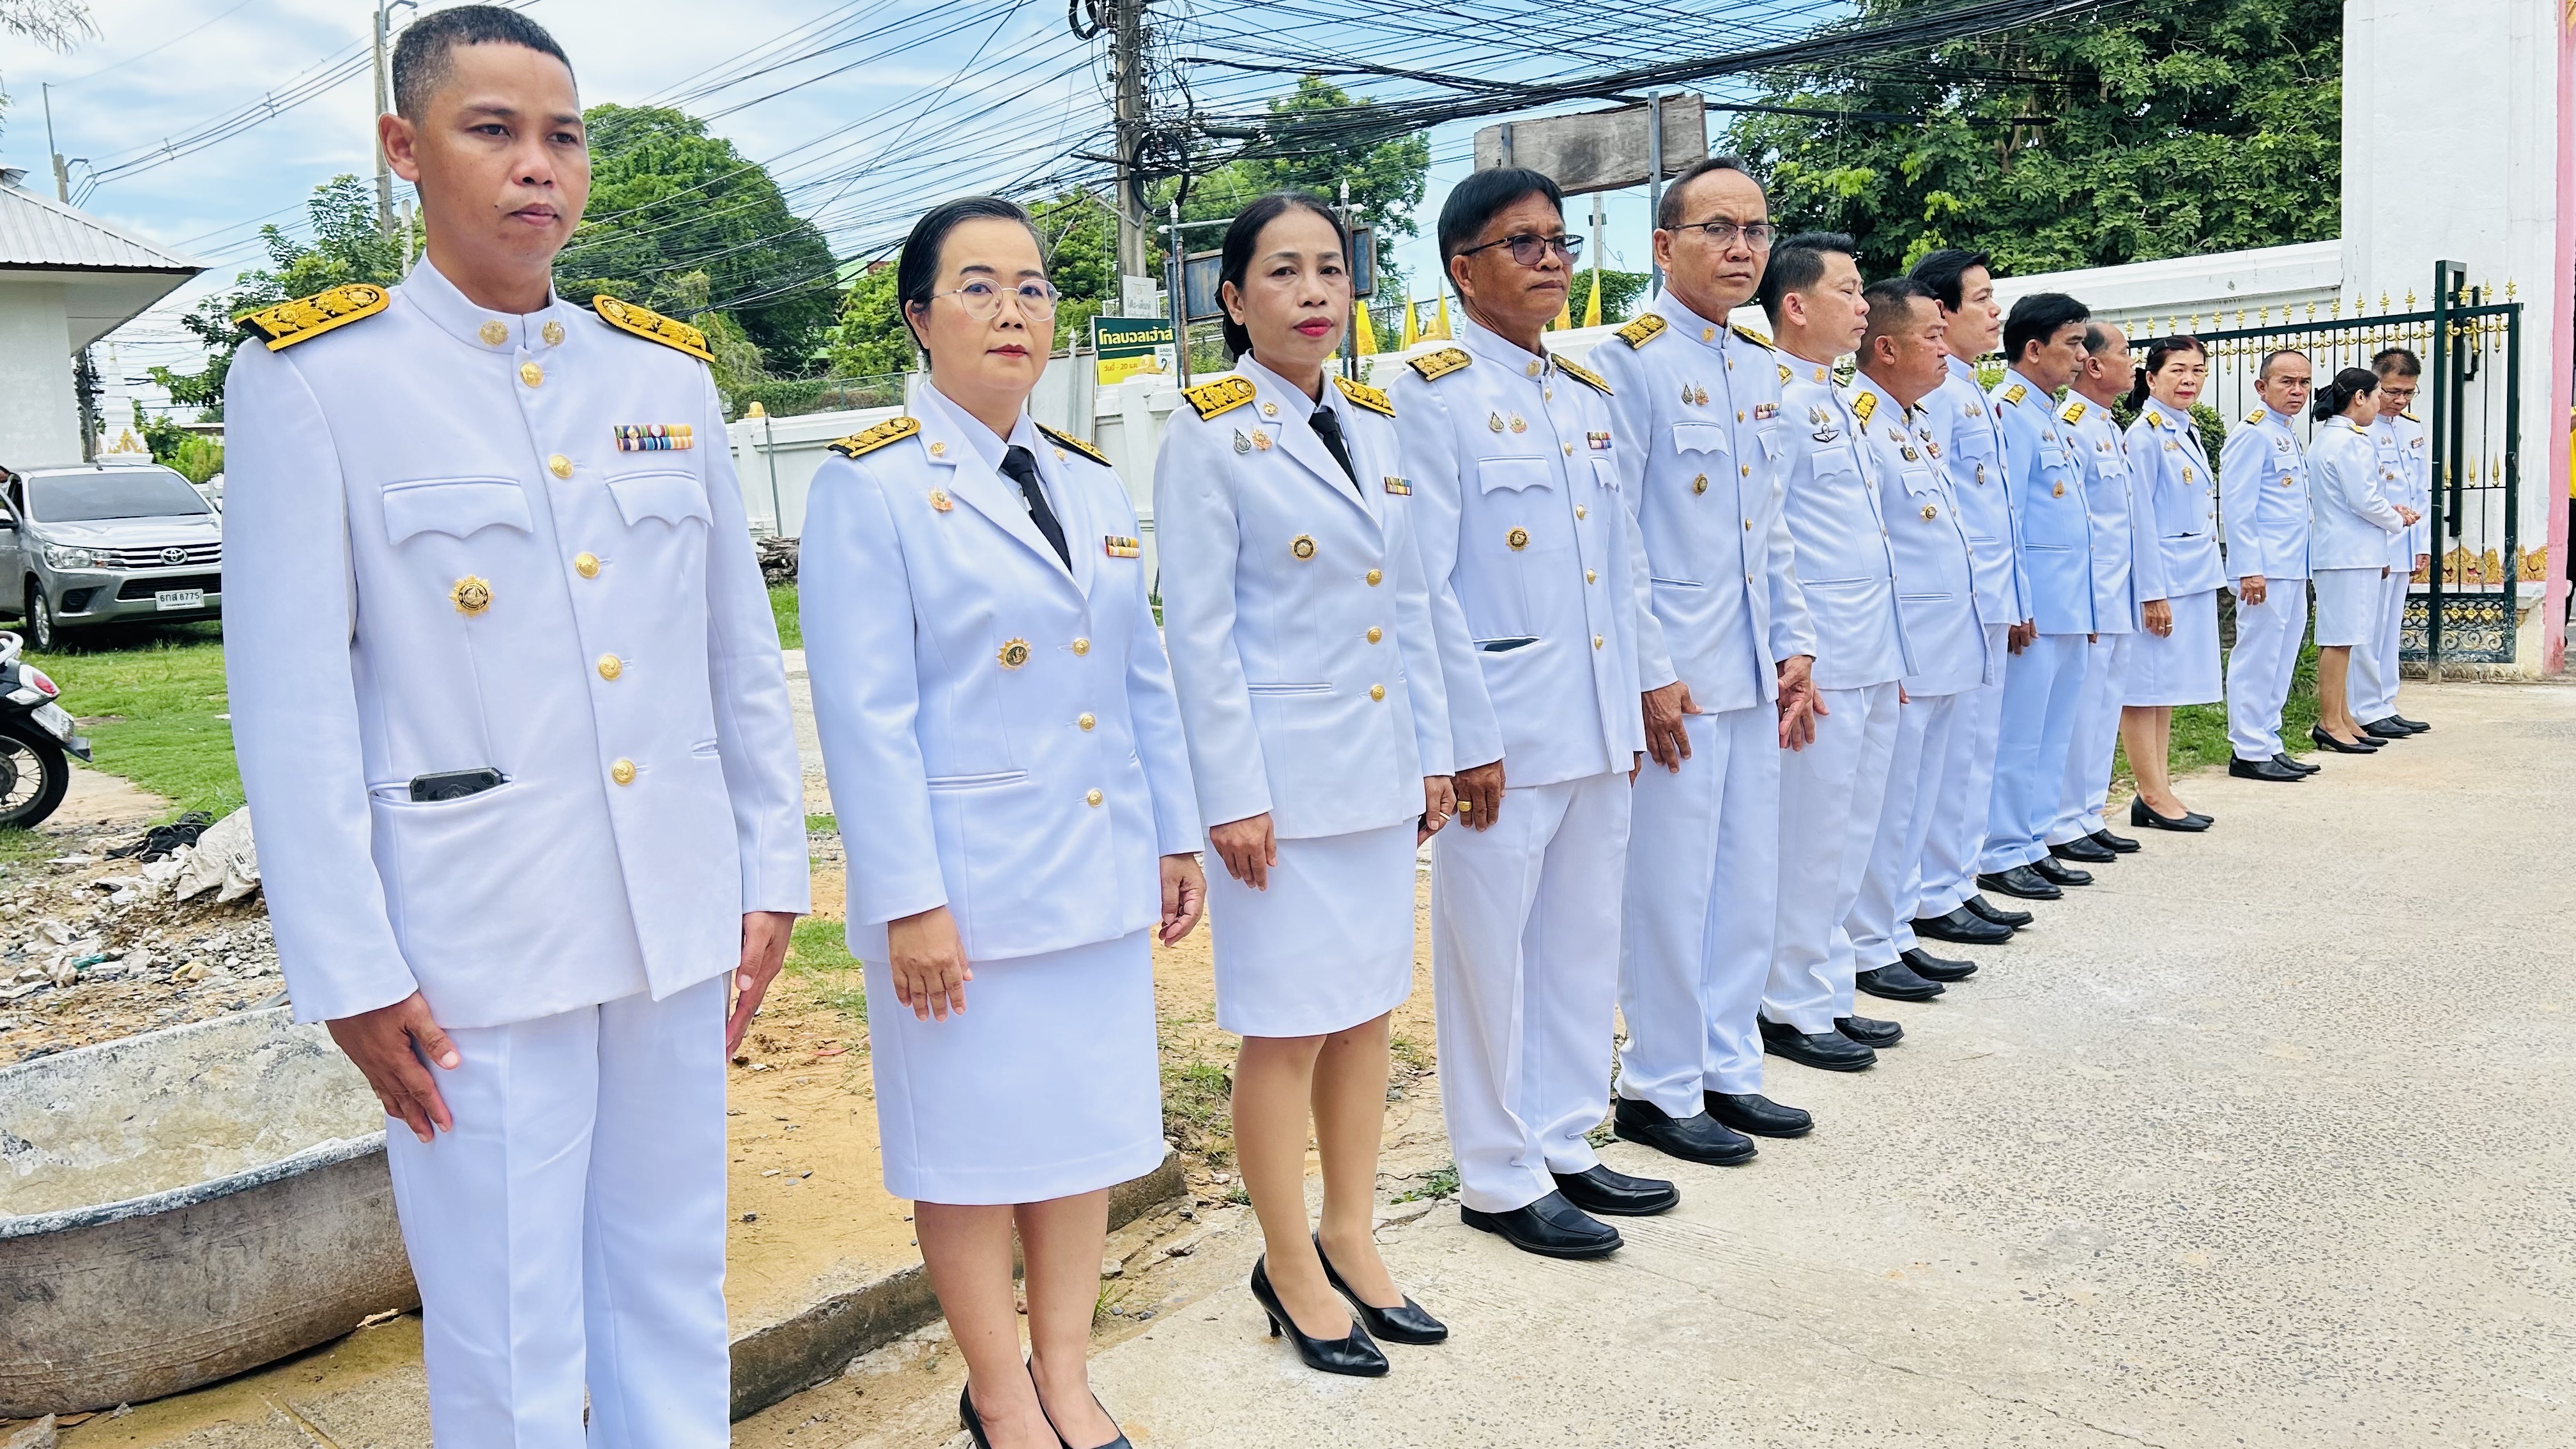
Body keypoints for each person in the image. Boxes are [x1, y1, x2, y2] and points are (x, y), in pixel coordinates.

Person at [221, 9, 811, 1443]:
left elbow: (737, 662)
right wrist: (349, 970)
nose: (536, 165)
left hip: (671, 917)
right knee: (504, 1318)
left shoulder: (661, 378)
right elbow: (290, 711)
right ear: (404, 151)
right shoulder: (314, 380)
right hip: (470, 948)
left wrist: (770, 877)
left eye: (562, 135)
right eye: (493, 130)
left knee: (672, 1277)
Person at [800, 196, 1207, 1449]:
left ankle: (1067, 1374)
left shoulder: (1087, 481)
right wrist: (908, 904)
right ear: (919, 317)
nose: (1013, 311)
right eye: (977, 287)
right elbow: (863, 720)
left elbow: (1142, 676)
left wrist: (1175, 835)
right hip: (965, 897)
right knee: (973, 1156)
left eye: (1032, 288)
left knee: (1082, 1139)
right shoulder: (868, 488)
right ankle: (996, 1390)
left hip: (1087, 881)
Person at [1153, 192, 1452, 1376]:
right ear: (1234, 300)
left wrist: (1431, 749)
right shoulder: (1208, 432)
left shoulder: (1376, 423)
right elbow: (1199, 632)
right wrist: (1226, 794)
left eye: (1330, 269)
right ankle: (1286, 1259)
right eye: (1284, 272)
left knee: (1367, 1013)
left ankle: (1350, 1233)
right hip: (1276, 792)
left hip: (1374, 778)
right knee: (1285, 1029)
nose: (1316, 292)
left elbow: (1413, 605)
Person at [1392, 165, 1676, 1261]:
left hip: (1596, 722)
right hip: (1501, 734)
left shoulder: (1583, 392)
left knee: (1576, 943)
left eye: (1556, 240)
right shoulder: (1427, 394)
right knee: (1486, 960)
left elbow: (1625, 564)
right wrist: (1460, 740)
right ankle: (1496, 1173)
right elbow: (1421, 585)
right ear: (1462, 269)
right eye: (1521, 243)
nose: (1550, 258)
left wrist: (1647, 685)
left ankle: (1563, 1133)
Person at [1593, 156, 1823, 1162]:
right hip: (1679, 673)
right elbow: (1619, 537)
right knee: (1672, 885)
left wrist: (1797, 641)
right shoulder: (1627, 362)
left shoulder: (1762, 367)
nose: (1742, 248)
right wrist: (1649, 668)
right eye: (1718, 229)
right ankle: (1658, 1081)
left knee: (1746, 879)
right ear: (1663, 246)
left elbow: (1772, 531)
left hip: (1751, 665)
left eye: (1757, 231)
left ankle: (1729, 1066)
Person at [1752, 233, 1913, 1071]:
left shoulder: (1836, 400)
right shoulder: (1775, 399)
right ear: (1797, 306)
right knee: (1811, 839)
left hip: (1871, 649)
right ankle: (1786, 999)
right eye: (1849, 292)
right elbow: (1771, 535)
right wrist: (1795, 647)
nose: (1863, 307)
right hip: (1822, 662)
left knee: (1850, 833)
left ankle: (1827, 986)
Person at [1841, 277, 1993, 1003]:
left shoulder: (1911, 421)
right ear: (1887, 346)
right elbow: (1872, 550)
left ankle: (1897, 926)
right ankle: (1868, 942)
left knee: (1919, 799)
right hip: (1904, 646)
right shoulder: (1864, 420)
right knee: (1888, 804)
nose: (1944, 347)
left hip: (1943, 640)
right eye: (1931, 336)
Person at [1905, 249, 2031, 949]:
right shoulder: (1936, 395)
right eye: (1980, 299)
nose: (1995, 312)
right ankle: (1933, 890)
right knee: (1950, 756)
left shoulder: (1971, 388)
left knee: (1976, 746)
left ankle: (1956, 880)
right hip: (1956, 599)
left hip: (1987, 595)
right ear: (1941, 312)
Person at [1974, 293, 2097, 904]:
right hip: (2036, 606)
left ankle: (2034, 838)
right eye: (2072, 344)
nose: (2082, 356)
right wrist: (2016, 600)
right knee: (2020, 733)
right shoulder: (2010, 411)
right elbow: (2011, 517)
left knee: (2054, 729)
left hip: (2069, 602)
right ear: (2033, 348)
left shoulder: (2051, 413)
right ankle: (2001, 848)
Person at [2044, 320, 2149, 861]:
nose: (2134, 363)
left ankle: (2087, 812)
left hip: (2117, 595)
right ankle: (2062, 820)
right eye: (2125, 353)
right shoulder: (2072, 426)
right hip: (2088, 596)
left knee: (2104, 708)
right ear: (2093, 364)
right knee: (2080, 713)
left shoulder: (2107, 426)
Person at [2118, 337, 2223, 829]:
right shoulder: (2144, 435)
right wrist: (2151, 591)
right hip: (2162, 582)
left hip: (2190, 576)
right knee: (2145, 688)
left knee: (2166, 690)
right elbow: (2138, 519)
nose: (2189, 380)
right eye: (2178, 370)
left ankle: (2158, 788)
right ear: (2151, 378)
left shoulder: (2185, 430)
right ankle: (2152, 793)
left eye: (2198, 371)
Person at [2221, 349, 2319, 783]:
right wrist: (2248, 569)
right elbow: (2239, 509)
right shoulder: (2252, 434)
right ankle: (2248, 747)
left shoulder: (2285, 433)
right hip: (2265, 569)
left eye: (2304, 383)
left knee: (2280, 657)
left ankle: (2269, 740)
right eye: (2286, 382)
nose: (2297, 390)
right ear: (2262, 387)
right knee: (2257, 656)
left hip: (2291, 566)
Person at [2304, 366, 2414, 753]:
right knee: (2339, 640)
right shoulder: (2350, 442)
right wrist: (2397, 518)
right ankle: (2331, 721)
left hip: (2348, 552)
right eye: (2378, 394)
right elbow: (2365, 501)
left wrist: (2387, 514)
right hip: (2347, 554)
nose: (2383, 402)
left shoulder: (2333, 439)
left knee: (2346, 639)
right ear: (2360, 398)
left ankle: (2344, 716)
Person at [2356, 348, 2434, 737]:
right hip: (2373, 542)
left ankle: (2386, 700)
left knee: (2390, 628)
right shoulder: (2361, 428)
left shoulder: (2412, 428)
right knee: (2368, 628)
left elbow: (2421, 490)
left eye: (2408, 393)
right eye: (2392, 391)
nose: (2400, 400)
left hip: (2403, 543)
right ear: (2375, 384)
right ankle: (2365, 707)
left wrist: (2422, 543)